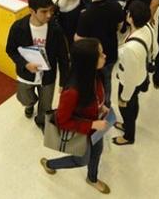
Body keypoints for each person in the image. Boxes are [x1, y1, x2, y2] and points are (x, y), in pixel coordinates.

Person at [40, 38, 110, 194]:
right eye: (100, 54)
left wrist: (101, 106)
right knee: (81, 159)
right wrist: (92, 125)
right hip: (83, 131)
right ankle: (50, 164)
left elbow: (94, 96)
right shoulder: (71, 91)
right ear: (88, 61)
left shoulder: (93, 74)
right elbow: (62, 121)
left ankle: (92, 178)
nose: (104, 56)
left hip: (95, 127)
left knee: (97, 151)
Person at [6, 0, 69, 129]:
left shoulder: (55, 29)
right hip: (26, 74)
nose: (49, 15)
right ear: (32, 11)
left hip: (48, 76)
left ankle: (41, 122)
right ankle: (30, 104)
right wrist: (25, 64)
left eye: (50, 11)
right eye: (44, 11)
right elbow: (10, 50)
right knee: (24, 98)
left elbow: (63, 57)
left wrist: (63, 82)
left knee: (46, 106)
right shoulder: (18, 27)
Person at [76, 0, 125, 108]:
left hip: (93, 55)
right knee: (107, 79)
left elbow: (79, 39)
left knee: (92, 81)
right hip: (110, 51)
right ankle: (107, 103)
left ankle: (93, 104)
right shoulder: (116, 7)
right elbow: (120, 26)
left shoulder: (85, 15)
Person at [113, 0, 156, 146]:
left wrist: (124, 97)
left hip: (130, 81)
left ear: (131, 17)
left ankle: (128, 136)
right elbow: (155, 49)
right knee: (134, 102)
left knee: (126, 107)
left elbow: (129, 78)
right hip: (142, 74)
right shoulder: (149, 27)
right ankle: (127, 124)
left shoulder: (130, 49)